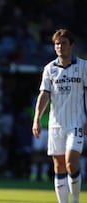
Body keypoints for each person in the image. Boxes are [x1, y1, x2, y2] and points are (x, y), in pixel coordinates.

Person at [32, 28, 87, 203]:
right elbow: (44, 95)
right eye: (57, 44)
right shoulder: (49, 69)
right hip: (56, 124)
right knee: (59, 166)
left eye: (64, 43)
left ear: (72, 45)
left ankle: (76, 200)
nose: (60, 47)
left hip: (77, 122)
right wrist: (37, 119)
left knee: (71, 162)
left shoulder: (84, 67)